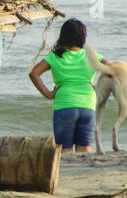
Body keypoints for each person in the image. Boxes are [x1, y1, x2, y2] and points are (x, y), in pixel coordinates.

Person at [29, 18, 102, 154]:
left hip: (64, 106)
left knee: (64, 151)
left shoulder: (55, 56)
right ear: (83, 37)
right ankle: (82, 175)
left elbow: (34, 73)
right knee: (85, 150)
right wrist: (99, 87)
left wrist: (48, 94)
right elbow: (113, 69)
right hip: (87, 106)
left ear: (63, 37)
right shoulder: (91, 55)